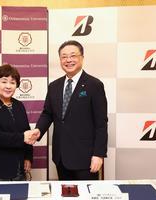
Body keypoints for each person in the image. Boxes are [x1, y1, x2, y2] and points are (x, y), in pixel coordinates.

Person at [35, 40, 108, 180]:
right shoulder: (54, 86)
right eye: (64, 56)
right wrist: (38, 130)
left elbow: (101, 123)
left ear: (82, 58)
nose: (68, 60)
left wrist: (98, 154)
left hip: (86, 159)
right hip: (61, 157)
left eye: (73, 55)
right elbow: (47, 114)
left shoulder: (94, 85)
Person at [0, 64, 39, 181]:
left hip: (18, 168)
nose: (8, 86)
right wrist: (22, 137)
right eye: (4, 82)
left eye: (12, 82)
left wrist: (28, 157)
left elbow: (26, 132)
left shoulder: (19, 105)